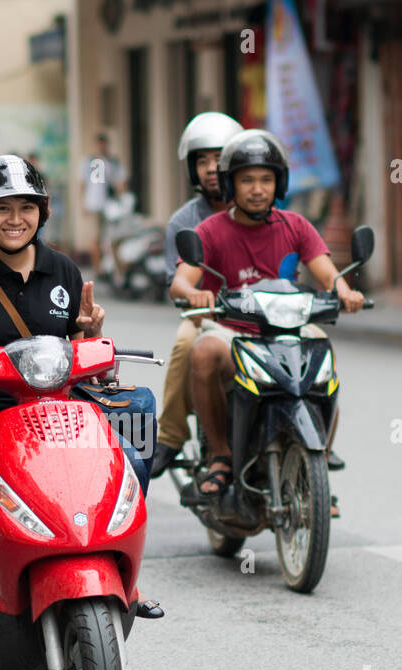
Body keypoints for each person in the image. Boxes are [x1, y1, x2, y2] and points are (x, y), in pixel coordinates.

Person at [0, 155, 162, 636]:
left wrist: (92, 334)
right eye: (2, 208)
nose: (15, 219)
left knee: (127, 460)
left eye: (27, 208)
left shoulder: (63, 270)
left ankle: (126, 578)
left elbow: (82, 351)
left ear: (41, 213)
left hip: (62, 404)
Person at [168, 129, 364, 510]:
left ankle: (318, 457)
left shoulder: (296, 226)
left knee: (322, 355)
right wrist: (193, 292)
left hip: (286, 329)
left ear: (280, 183)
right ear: (230, 184)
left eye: (266, 179)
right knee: (203, 352)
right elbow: (182, 278)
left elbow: (328, 273)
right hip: (232, 330)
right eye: (247, 180)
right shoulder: (210, 230)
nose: (257, 189)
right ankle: (222, 457)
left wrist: (345, 292)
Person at [150, 111, 244, 479]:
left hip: (262, 317)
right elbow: (180, 280)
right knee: (187, 343)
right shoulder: (184, 221)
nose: (210, 168)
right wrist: (196, 297)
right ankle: (171, 434)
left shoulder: (264, 212)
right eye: (201, 160)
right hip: (209, 316)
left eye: (218, 159)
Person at [76, 132, 126, 275]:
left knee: (112, 237)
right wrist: (83, 203)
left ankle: (115, 269)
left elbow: (120, 182)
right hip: (94, 204)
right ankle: (98, 269)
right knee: (96, 237)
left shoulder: (112, 161)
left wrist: (121, 198)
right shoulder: (88, 161)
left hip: (111, 206)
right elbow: (82, 183)